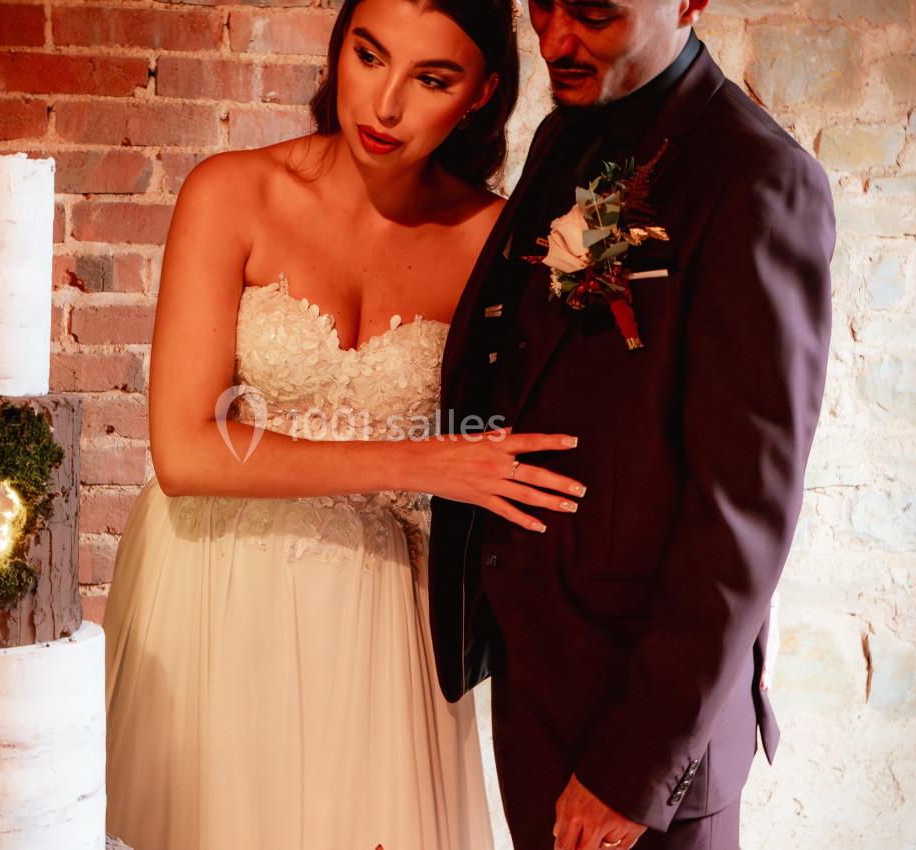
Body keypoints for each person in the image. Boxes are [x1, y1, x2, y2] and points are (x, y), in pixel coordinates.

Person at [102, 2, 582, 848]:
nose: (384, 104)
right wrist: (422, 464)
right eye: (369, 55)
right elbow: (183, 450)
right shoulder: (232, 193)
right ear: (340, 46)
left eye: (431, 79)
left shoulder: (496, 241)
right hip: (220, 584)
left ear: (480, 95)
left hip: (383, 610)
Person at [428, 2, 835, 850]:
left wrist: (631, 769)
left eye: (594, 13)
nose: (554, 40)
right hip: (541, 684)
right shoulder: (564, 136)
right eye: (540, 4)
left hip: (640, 735)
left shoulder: (758, 178)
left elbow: (745, 517)